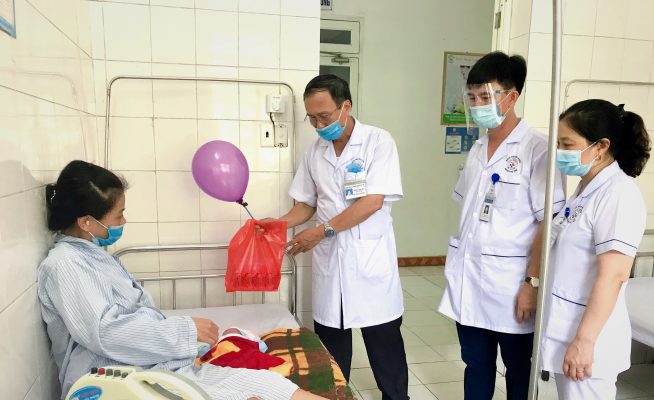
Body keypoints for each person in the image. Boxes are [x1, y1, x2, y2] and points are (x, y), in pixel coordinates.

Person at [38, 160, 326, 400]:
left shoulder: (92, 255)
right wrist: (184, 331)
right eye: (118, 215)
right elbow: (106, 333)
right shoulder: (65, 265)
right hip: (119, 380)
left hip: (153, 366)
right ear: (86, 222)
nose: (123, 222)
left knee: (268, 385)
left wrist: (182, 337)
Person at [437, 51, 566, 400]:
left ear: (511, 97)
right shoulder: (477, 148)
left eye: (485, 96)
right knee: (475, 365)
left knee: (518, 371)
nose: (478, 105)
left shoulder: (538, 150)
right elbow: (471, 214)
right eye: (472, 97)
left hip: (512, 285)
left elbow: (549, 222)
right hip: (470, 282)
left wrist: (532, 283)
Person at [272, 74, 408, 400]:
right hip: (331, 264)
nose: (319, 125)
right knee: (332, 349)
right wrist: (276, 225)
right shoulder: (315, 152)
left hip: (369, 262)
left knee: (385, 347)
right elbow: (306, 204)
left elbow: (372, 202)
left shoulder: (378, 142)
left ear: (345, 106)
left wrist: (321, 231)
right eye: (312, 118)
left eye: (324, 116)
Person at [541, 100, 650, 399]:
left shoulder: (618, 194)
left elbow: (614, 276)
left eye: (567, 144)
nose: (560, 152)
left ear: (601, 146)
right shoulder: (585, 189)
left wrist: (584, 341)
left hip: (590, 340)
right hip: (568, 328)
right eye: (558, 143)